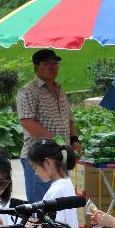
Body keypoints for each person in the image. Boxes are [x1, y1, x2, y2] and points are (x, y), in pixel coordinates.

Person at [17, 49, 83, 203]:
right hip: (38, 158)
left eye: (55, 63)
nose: (53, 67)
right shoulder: (28, 91)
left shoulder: (60, 89)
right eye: (47, 64)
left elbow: (70, 119)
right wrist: (56, 139)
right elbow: (27, 122)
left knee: (60, 203)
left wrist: (74, 140)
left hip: (61, 156)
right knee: (41, 206)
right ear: (36, 67)